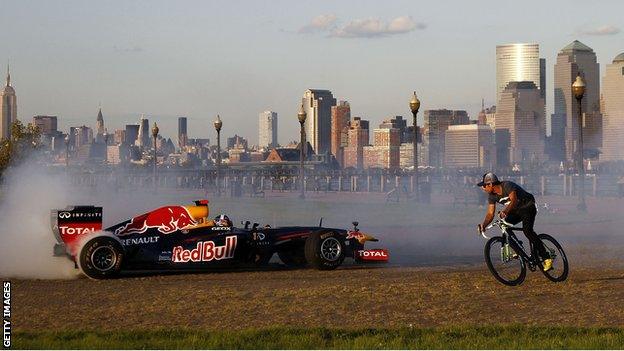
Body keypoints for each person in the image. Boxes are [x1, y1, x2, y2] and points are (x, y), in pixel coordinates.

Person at [476, 172, 553, 271]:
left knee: (527, 231)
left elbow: (514, 200)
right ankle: (518, 247)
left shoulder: (507, 185)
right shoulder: (492, 196)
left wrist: (506, 211)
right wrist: (484, 225)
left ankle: (546, 257)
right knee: (504, 225)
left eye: (484, 186)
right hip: (516, 211)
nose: (483, 188)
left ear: (490, 184)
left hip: (528, 206)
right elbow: (490, 214)